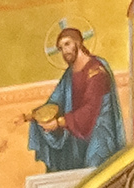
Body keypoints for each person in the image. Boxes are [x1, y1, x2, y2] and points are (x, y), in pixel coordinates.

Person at [27, 28, 125, 172]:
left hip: (99, 132)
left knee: (93, 170)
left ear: (78, 43)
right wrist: (34, 116)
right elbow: (55, 102)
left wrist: (59, 123)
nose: (64, 51)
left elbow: (91, 109)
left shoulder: (96, 70)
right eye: (61, 48)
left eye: (67, 44)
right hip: (77, 132)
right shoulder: (69, 75)